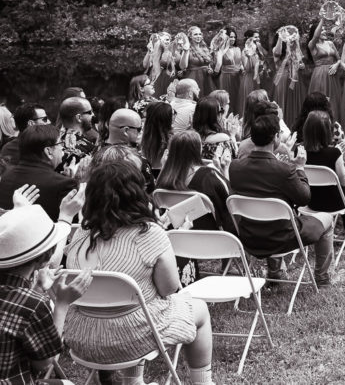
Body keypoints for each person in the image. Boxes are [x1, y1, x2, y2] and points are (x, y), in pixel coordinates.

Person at [63, 161, 213, 385]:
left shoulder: (81, 234)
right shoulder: (148, 233)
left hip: (81, 337)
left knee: (137, 309)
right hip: (130, 338)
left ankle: (133, 381)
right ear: (136, 193)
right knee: (197, 308)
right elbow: (169, 288)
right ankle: (203, 382)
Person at [229, 113, 335, 286]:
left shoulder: (235, 167)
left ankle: (275, 273)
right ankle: (322, 278)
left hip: (249, 236)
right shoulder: (284, 170)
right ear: (276, 137)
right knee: (328, 219)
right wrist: (299, 168)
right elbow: (304, 198)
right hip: (281, 238)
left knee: (269, 215)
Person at [0, 203, 92, 385]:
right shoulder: (33, 305)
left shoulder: (26, 300)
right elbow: (45, 362)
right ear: (45, 257)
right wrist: (62, 304)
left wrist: (37, 290)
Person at [156, 130, 235, 234]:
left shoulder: (162, 180)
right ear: (197, 150)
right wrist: (225, 169)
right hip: (211, 239)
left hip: (174, 238)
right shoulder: (209, 176)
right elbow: (230, 203)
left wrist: (163, 167)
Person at [0, 125, 78, 221]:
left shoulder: (5, 176)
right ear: (48, 151)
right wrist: (80, 181)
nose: (63, 148)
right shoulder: (65, 185)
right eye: (60, 144)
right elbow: (73, 223)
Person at [306, 19, 345, 124]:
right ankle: (320, 126)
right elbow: (315, 36)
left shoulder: (330, 43)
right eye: (321, 30)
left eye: (324, 30)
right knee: (322, 101)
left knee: (334, 100)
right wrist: (323, 19)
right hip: (320, 76)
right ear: (316, 32)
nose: (324, 32)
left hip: (332, 75)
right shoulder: (312, 45)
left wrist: (336, 65)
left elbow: (339, 59)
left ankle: (335, 126)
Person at [192, 97, 236, 178]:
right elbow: (235, 159)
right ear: (215, 116)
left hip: (191, 181)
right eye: (221, 111)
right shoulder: (223, 140)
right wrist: (233, 135)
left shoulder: (187, 138)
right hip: (215, 181)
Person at [0, 105, 49, 176]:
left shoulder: (7, 148)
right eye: (44, 119)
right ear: (31, 123)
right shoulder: (45, 147)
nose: (48, 122)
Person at [272, 26, 306, 129]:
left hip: (295, 80)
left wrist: (301, 66)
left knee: (294, 104)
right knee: (283, 103)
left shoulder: (295, 51)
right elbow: (277, 53)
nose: (290, 40)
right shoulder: (277, 49)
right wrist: (280, 37)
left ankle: (295, 128)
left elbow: (301, 64)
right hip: (283, 79)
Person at [56, 96, 96, 178]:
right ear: (79, 117)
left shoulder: (52, 141)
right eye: (89, 112)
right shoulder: (87, 147)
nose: (93, 115)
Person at [212, 27, 245, 116]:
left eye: (234, 37)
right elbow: (218, 64)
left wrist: (242, 67)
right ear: (226, 37)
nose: (233, 39)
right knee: (227, 98)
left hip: (238, 77)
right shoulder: (220, 50)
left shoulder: (237, 49)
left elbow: (240, 62)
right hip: (226, 77)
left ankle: (238, 118)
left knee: (238, 98)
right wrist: (214, 74)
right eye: (231, 37)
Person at [177, 26, 215, 97]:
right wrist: (186, 51)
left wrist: (210, 69)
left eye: (200, 34)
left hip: (207, 79)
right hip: (194, 78)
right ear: (190, 36)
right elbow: (183, 66)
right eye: (195, 34)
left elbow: (208, 63)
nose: (198, 36)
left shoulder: (204, 48)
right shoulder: (187, 48)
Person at [141, 101, 174, 170]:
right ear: (166, 119)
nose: (174, 117)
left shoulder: (142, 136)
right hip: (163, 173)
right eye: (172, 114)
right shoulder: (171, 140)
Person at [142, 32, 176, 98]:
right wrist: (149, 51)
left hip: (169, 79)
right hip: (157, 78)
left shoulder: (172, 52)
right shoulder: (154, 52)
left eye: (168, 39)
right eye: (163, 40)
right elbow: (145, 65)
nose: (166, 42)